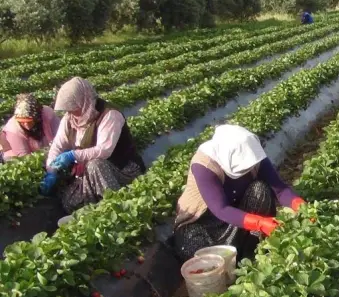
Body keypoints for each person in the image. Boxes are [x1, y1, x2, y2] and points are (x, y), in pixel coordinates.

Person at [173, 125, 305, 261]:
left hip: (239, 215)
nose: (248, 169)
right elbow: (221, 209)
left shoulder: (253, 155)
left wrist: (302, 208)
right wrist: (260, 223)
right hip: (205, 221)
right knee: (195, 251)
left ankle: (250, 250)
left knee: (261, 189)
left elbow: (280, 189)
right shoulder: (204, 165)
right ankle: (235, 256)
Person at [42, 77, 146, 213]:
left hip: (122, 168)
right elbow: (57, 146)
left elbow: (104, 150)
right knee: (69, 202)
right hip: (89, 170)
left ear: (84, 101)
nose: (71, 113)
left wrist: (73, 155)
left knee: (96, 164)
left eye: (74, 108)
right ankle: (95, 212)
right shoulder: (70, 119)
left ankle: (116, 207)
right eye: (68, 110)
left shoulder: (109, 115)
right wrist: (51, 170)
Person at [2, 93, 61, 161]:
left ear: (37, 117)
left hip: (45, 149)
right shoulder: (13, 130)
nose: (26, 125)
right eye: (22, 121)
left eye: (29, 121)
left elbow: (60, 136)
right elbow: (24, 158)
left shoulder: (47, 114)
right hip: (15, 153)